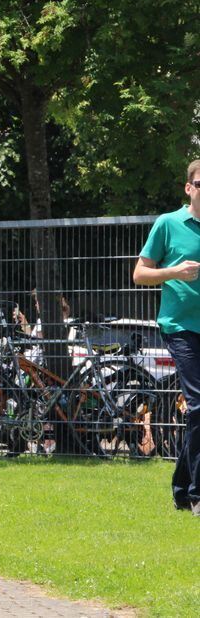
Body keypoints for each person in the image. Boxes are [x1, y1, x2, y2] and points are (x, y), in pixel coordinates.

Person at [133, 159, 200, 516]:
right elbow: (140, 273)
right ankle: (198, 494)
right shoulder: (169, 224)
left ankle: (181, 488)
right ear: (188, 188)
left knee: (197, 415)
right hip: (180, 326)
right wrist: (176, 271)